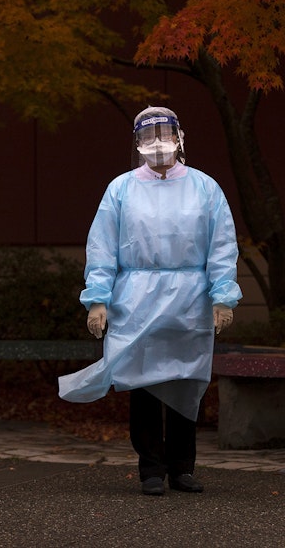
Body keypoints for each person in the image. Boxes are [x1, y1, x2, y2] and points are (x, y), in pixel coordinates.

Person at [58, 106, 242, 496]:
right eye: (148, 137)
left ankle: (182, 467)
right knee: (141, 383)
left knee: (184, 381)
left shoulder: (205, 188)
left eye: (164, 135)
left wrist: (222, 295)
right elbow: (103, 247)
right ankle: (151, 468)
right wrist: (98, 299)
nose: (158, 145)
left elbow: (221, 245)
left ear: (180, 138)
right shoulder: (121, 189)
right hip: (136, 297)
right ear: (137, 143)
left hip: (190, 297)